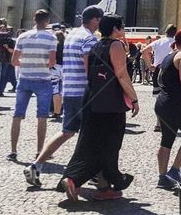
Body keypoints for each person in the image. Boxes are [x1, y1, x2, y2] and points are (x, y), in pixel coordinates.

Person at [58, 14, 138, 202]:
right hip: (110, 104)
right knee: (110, 145)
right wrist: (134, 98)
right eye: (122, 26)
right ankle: (87, 181)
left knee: (91, 143)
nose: (124, 29)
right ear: (116, 29)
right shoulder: (115, 45)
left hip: (93, 99)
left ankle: (94, 185)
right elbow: (122, 74)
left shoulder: (96, 44)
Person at [27, 6, 103, 187]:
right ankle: (91, 174)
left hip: (69, 89)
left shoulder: (72, 34)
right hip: (83, 92)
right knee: (94, 135)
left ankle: (36, 165)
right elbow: (88, 67)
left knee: (67, 131)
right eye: (99, 20)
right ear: (95, 20)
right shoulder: (89, 39)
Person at [8, 10, 57, 162]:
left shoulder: (23, 36)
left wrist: (25, 65)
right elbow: (52, 62)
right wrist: (42, 66)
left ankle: (13, 151)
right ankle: (39, 152)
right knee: (42, 117)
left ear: (34, 20)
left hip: (24, 79)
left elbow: (14, 61)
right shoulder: (51, 37)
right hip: (43, 79)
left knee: (17, 115)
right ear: (47, 21)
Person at [154, 30, 181, 189]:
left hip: (162, 102)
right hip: (176, 103)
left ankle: (162, 177)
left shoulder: (169, 55)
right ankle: (174, 170)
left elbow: (159, 78)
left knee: (167, 139)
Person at [142, 24, 177, 132]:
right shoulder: (175, 43)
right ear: (175, 33)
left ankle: (158, 123)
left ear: (165, 32)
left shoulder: (158, 42)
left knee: (159, 98)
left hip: (158, 70)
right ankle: (168, 122)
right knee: (171, 97)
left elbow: (144, 51)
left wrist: (149, 65)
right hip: (171, 71)